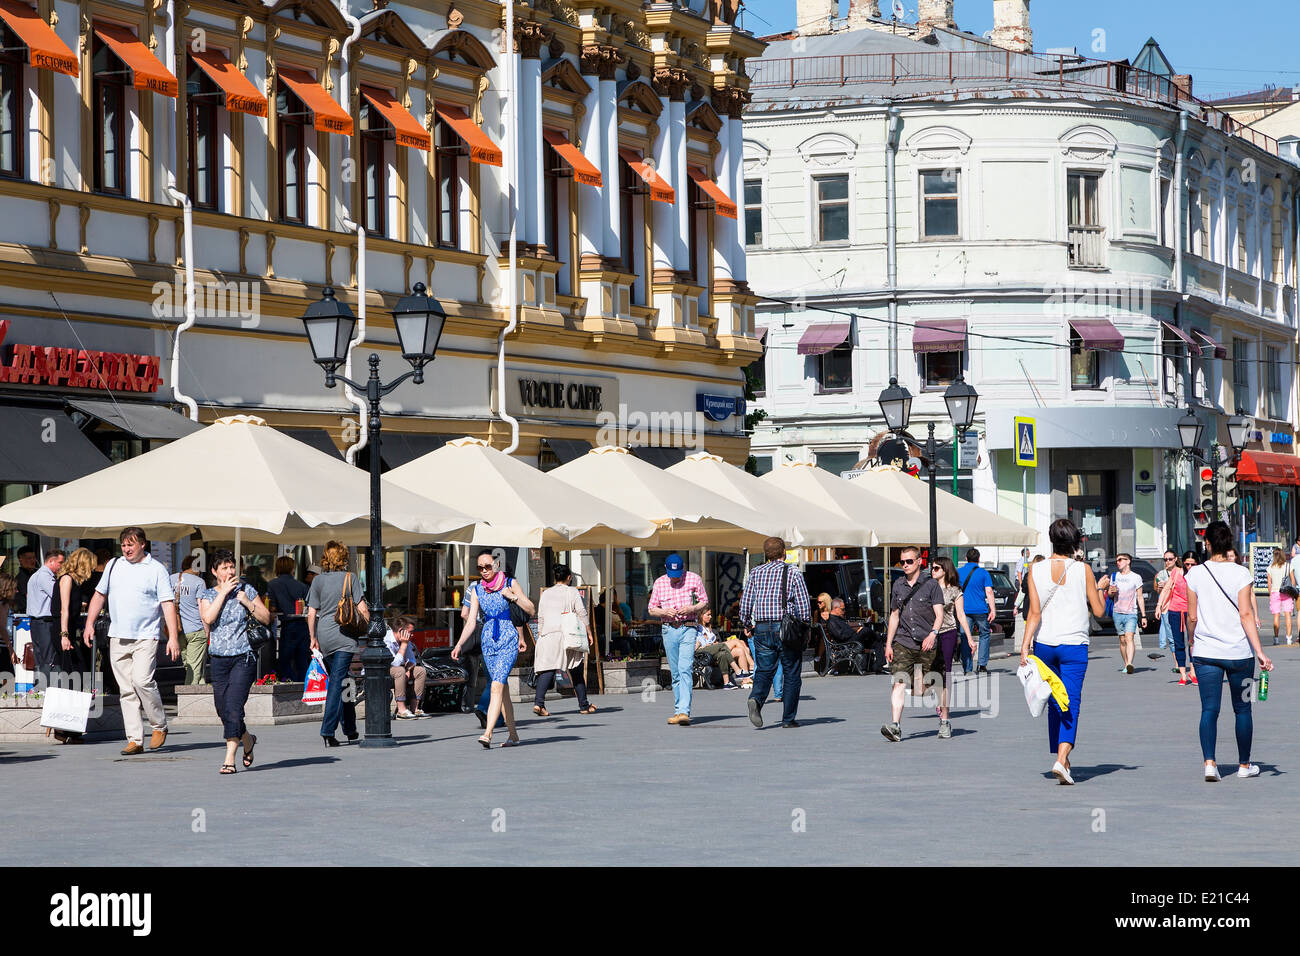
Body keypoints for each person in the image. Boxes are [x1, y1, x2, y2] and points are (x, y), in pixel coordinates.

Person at [1020, 519, 1109, 786]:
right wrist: (1103, 589)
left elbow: (1034, 613)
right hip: (1074, 645)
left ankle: (1064, 760)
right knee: (1071, 701)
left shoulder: (1034, 570)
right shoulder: (1084, 570)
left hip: (1044, 644)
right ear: (1074, 541)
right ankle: (1061, 758)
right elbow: (1099, 611)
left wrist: (1024, 646)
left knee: (1054, 701)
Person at [1185, 521, 1274, 781]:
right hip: (1240, 654)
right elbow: (1246, 614)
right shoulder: (1241, 574)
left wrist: (1192, 642)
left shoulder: (1195, 574)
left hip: (1206, 653)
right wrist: (1260, 651)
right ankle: (1244, 766)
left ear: (1208, 544)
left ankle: (1210, 764)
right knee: (1244, 709)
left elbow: (1192, 616)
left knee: (1209, 709)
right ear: (1230, 545)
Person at [81, 528, 180, 755]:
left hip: (146, 636)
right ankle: (135, 739)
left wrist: (173, 637)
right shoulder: (114, 565)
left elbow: (167, 604)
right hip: (117, 635)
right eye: (124, 545)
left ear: (143, 544)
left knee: (142, 681)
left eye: (131, 544)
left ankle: (158, 725)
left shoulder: (156, 569)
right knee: (126, 690)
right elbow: (99, 595)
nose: (126, 549)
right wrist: (89, 624)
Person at [452, 550, 532, 748]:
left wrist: (513, 597)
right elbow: (470, 621)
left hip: (508, 639)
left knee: (496, 685)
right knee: (501, 689)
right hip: (488, 641)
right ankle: (513, 734)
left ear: (496, 565)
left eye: (487, 566)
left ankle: (488, 733)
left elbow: (530, 608)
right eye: (480, 568)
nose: (484, 571)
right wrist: (459, 644)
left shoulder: (509, 583)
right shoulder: (477, 589)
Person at [199, 550, 270, 774]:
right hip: (219, 659)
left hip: (243, 656)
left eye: (232, 567)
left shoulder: (246, 590)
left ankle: (229, 757)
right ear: (214, 571)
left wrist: (248, 602)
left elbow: (267, 618)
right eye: (225, 568)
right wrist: (224, 593)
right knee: (223, 709)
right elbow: (208, 619)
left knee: (233, 707)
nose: (230, 572)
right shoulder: (207, 594)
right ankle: (247, 739)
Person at [741, 537, 811, 729]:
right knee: (791, 672)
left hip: (762, 628)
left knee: (764, 669)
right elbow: (803, 604)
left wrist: (746, 623)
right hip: (785, 628)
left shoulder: (755, 573)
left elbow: (746, 603)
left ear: (765, 554)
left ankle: (756, 699)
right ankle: (788, 719)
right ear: (784, 553)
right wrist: (805, 627)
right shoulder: (793, 572)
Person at [306, 540, 369, 747]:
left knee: (343, 679)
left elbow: (312, 612)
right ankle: (327, 729)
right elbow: (362, 609)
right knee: (337, 682)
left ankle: (350, 729)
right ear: (344, 558)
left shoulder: (317, 581)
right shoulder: (351, 578)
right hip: (344, 634)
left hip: (324, 634)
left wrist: (313, 638)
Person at [881, 545, 944, 742]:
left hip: (927, 641)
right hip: (903, 641)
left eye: (909, 561)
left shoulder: (931, 585)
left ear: (919, 562)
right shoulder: (898, 585)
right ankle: (895, 725)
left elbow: (939, 614)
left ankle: (944, 720)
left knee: (926, 687)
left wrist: (933, 634)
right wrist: (889, 643)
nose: (905, 565)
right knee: (899, 681)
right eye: (902, 562)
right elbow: (894, 615)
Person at [648, 553, 709, 726]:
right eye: (672, 576)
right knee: (675, 672)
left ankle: (684, 711)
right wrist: (664, 611)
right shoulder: (660, 582)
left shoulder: (694, 579)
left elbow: (704, 601)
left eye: (678, 575)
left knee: (685, 669)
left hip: (688, 627)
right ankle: (678, 710)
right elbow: (652, 608)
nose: (676, 579)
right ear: (666, 569)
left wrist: (692, 608)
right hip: (668, 629)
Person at [532, 563, 597, 716]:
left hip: (547, 634)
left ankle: (539, 703)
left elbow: (540, 616)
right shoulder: (572, 592)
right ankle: (584, 705)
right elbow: (581, 612)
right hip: (567, 635)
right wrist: (589, 631)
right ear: (569, 577)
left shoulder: (546, 593)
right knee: (576, 669)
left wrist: (540, 635)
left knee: (547, 669)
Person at [929, 556, 975, 739]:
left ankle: (944, 713)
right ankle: (938, 696)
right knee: (928, 672)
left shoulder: (955, 591)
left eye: (936, 568)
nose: (933, 571)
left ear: (945, 570)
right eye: (932, 568)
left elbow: (961, 616)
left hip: (948, 633)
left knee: (945, 673)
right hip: (929, 635)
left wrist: (969, 639)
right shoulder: (928, 589)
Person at [51, 548, 95, 735]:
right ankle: (64, 727)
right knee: (74, 674)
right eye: (90, 565)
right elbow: (64, 610)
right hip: (62, 631)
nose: (92, 570)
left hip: (67, 630)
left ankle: (70, 727)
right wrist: (64, 635)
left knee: (76, 674)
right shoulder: (67, 579)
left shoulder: (74, 581)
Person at [25, 549, 65, 686]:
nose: (62, 565)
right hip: (44, 622)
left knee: (41, 656)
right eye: (60, 562)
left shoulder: (36, 575)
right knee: (48, 657)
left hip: (37, 622)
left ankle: (42, 687)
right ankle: (49, 688)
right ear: (51, 561)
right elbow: (58, 595)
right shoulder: (44, 576)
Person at [267, 555, 310, 680]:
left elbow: (272, 607)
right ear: (292, 568)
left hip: (287, 625)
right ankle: (302, 686)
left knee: (284, 660)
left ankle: (289, 683)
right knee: (302, 660)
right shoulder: (301, 586)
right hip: (302, 624)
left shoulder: (273, 584)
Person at [1155, 550, 1194, 685]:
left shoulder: (1199, 574)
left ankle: (1193, 672)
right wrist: (1159, 606)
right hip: (1176, 611)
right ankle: (1183, 674)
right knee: (1178, 643)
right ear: (1183, 563)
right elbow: (1167, 589)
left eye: (1192, 564)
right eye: (1187, 564)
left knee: (1192, 642)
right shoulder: (1177, 573)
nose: (1189, 567)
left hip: (1192, 612)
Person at [170, 555, 208, 685]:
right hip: (196, 630)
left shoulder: (171, 579)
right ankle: (188, 700)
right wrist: (207, 631)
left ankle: (203, 699)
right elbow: (202, 608)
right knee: (195, 669)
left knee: (190, 666)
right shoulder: (199, 582)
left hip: (178, 630)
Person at [958, 549, 996, 675]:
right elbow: (989, 592)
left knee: (965, 637)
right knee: (984, 634)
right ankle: (982, 665)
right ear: (978, 559)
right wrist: (993, 610)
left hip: (963, 610)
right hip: (980, 609)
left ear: (966, 558)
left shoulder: (959, 572)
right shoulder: (983, 573)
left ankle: (967, 668)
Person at [1109, 553, 1147, 675]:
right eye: (1117, 560)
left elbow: (1140, 597)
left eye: (1120, 560)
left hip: (1131, 612)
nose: (1118, 562)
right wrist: (1111, 592)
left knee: (1129, 638)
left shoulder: (1136, 577)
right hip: (1117, 612)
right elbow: (1110, 594)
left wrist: (1144, 615)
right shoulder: (1114, 576)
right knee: (1122, 640)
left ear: (1128, 561)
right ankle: (1126, 663)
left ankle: (1130, 663)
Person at [385, 614, 426, 719]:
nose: (412, 635)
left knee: (420, 671)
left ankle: (415, 708)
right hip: (383, 671)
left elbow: (411, 660)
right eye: (410, 632)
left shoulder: (406, 640)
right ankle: (401, 709)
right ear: (400, 631)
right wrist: (403, 644)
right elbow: (394, 664)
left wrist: (408, 669)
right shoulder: (386, 640)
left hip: (399, 669)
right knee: (399, 671)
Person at [696, 608, 747, 689]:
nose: (711, 617)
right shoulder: (696, 627)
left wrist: (714, 643)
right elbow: (697, 643)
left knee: (726, 652)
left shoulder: (708, 628)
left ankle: (727, 683)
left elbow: (713, 641)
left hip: (711, 649)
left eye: (710, 615)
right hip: (702, 651)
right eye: (708, 615)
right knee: (733, 642)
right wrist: (703, 644)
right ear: (701, 615)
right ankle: (742, 670)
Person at [1266, 548, 1293, 646]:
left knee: (1276, 616)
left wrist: (1270, 593)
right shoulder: (1288, 566)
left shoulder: (1270, 568)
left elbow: (1269, 583)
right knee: (1288, 615)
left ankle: (1276, 638)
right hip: (1286, 592)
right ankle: (1289, 638)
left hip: (1275, 592)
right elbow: (1293, 581)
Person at [0, 573, 17, 672]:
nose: (16, 591)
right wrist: (10, 649)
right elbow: (1, 627)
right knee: (8, 679)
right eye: (14, 588)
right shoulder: (3, 604)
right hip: (2, 647)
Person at [13, 545, 37, 613]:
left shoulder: (35, 574)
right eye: (29, 558)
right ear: (21, 560)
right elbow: (29, 597)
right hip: (26, 613)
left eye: (34, 557)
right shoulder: (21, 578)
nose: (33, 560)